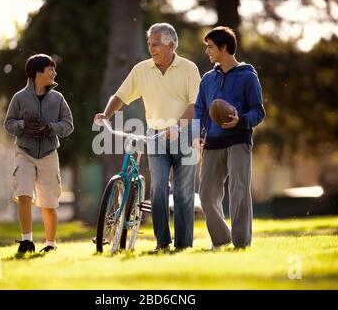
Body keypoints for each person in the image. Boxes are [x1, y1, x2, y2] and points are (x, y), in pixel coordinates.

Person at [94, 23, 201, 251]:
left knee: (183, 193)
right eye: (149, 44)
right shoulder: (141, 69)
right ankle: (162, 242)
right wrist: (106, 114)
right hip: (156, 135)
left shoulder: (189, 68)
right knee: (158, 187)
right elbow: (121, 95)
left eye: (156, 44)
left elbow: (195, 104)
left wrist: (178, 126)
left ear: (171, 45)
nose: (151, 49)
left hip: (186, 133)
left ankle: (183, 246)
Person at [194, 26, 265, 249]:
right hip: (212, 143)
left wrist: (241, 120)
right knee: (206, 196)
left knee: (239, 193)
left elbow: (258, 111)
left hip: (238, 141)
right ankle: (222, 239)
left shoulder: (247, 76)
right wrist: (198, 135)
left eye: (210, 47)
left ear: (224, 48)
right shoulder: (207, 79)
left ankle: (241, 242)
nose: (207, 51)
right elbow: (200, 110)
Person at [4, 54, 74, 254]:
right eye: (50, 69)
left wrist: (50, 128)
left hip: (49, 153)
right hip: (24, 152)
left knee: (49, 203)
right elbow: (8, 124)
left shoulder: (58, 98)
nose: (54, 72)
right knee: (24, 194)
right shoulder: (19, 98)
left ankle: (50, 244)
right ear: (37, 73)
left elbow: (68, 125)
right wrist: (23, 125)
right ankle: (27, 241)